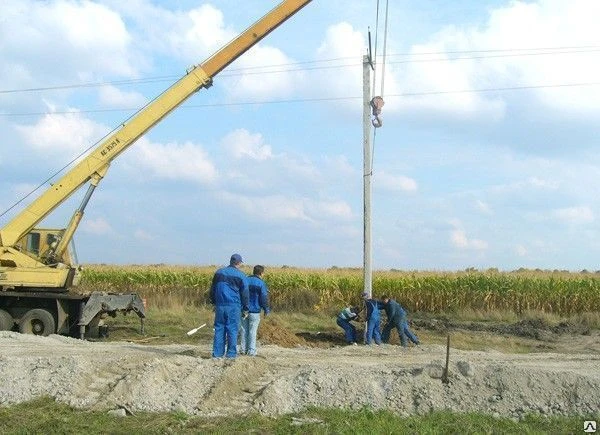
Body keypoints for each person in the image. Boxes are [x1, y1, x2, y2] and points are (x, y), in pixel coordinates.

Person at [210, 253, 249, 359]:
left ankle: (217, 354)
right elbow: (245, 293)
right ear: (239, 263)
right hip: (234, 305)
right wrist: (245, 308)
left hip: (220, 305)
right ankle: (231, 354)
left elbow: (213, 289)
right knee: (232, 329)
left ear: (231, 261)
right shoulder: (241, 275)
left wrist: (214, 302)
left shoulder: (219, 272)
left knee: (219, 328)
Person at [240, 265, 270, 356]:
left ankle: (243, 350)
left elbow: (240, 293)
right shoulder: (261, 283)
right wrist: (266, 309)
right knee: (252, 331)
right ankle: (251, 351)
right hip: (255, 311)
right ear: (261, 273)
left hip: (243, 310)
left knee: (244, 330)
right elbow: (264, 298)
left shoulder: (245, 280)